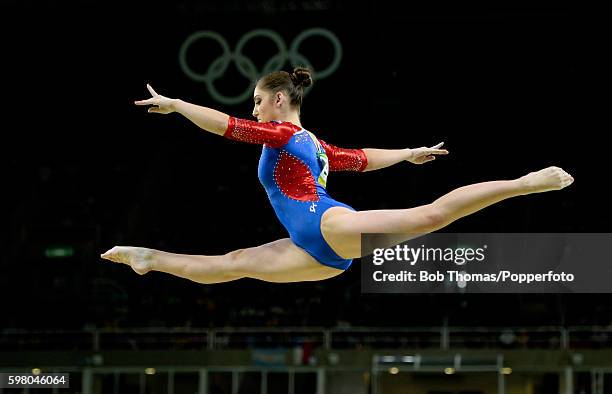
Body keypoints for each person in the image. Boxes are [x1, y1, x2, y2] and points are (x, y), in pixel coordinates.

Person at [101, 67, 574, 284]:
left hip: (323, 224)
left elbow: (226, 126)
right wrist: (408, 152)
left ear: (280, 100)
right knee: (233, 263)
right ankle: (150, 257)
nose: (254, 109)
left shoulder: (285, 135)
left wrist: (178, 105)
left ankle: (525, 182)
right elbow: (362, 158)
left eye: (258, 100)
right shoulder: (316, 146)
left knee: (428, 216)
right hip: (314, 249)